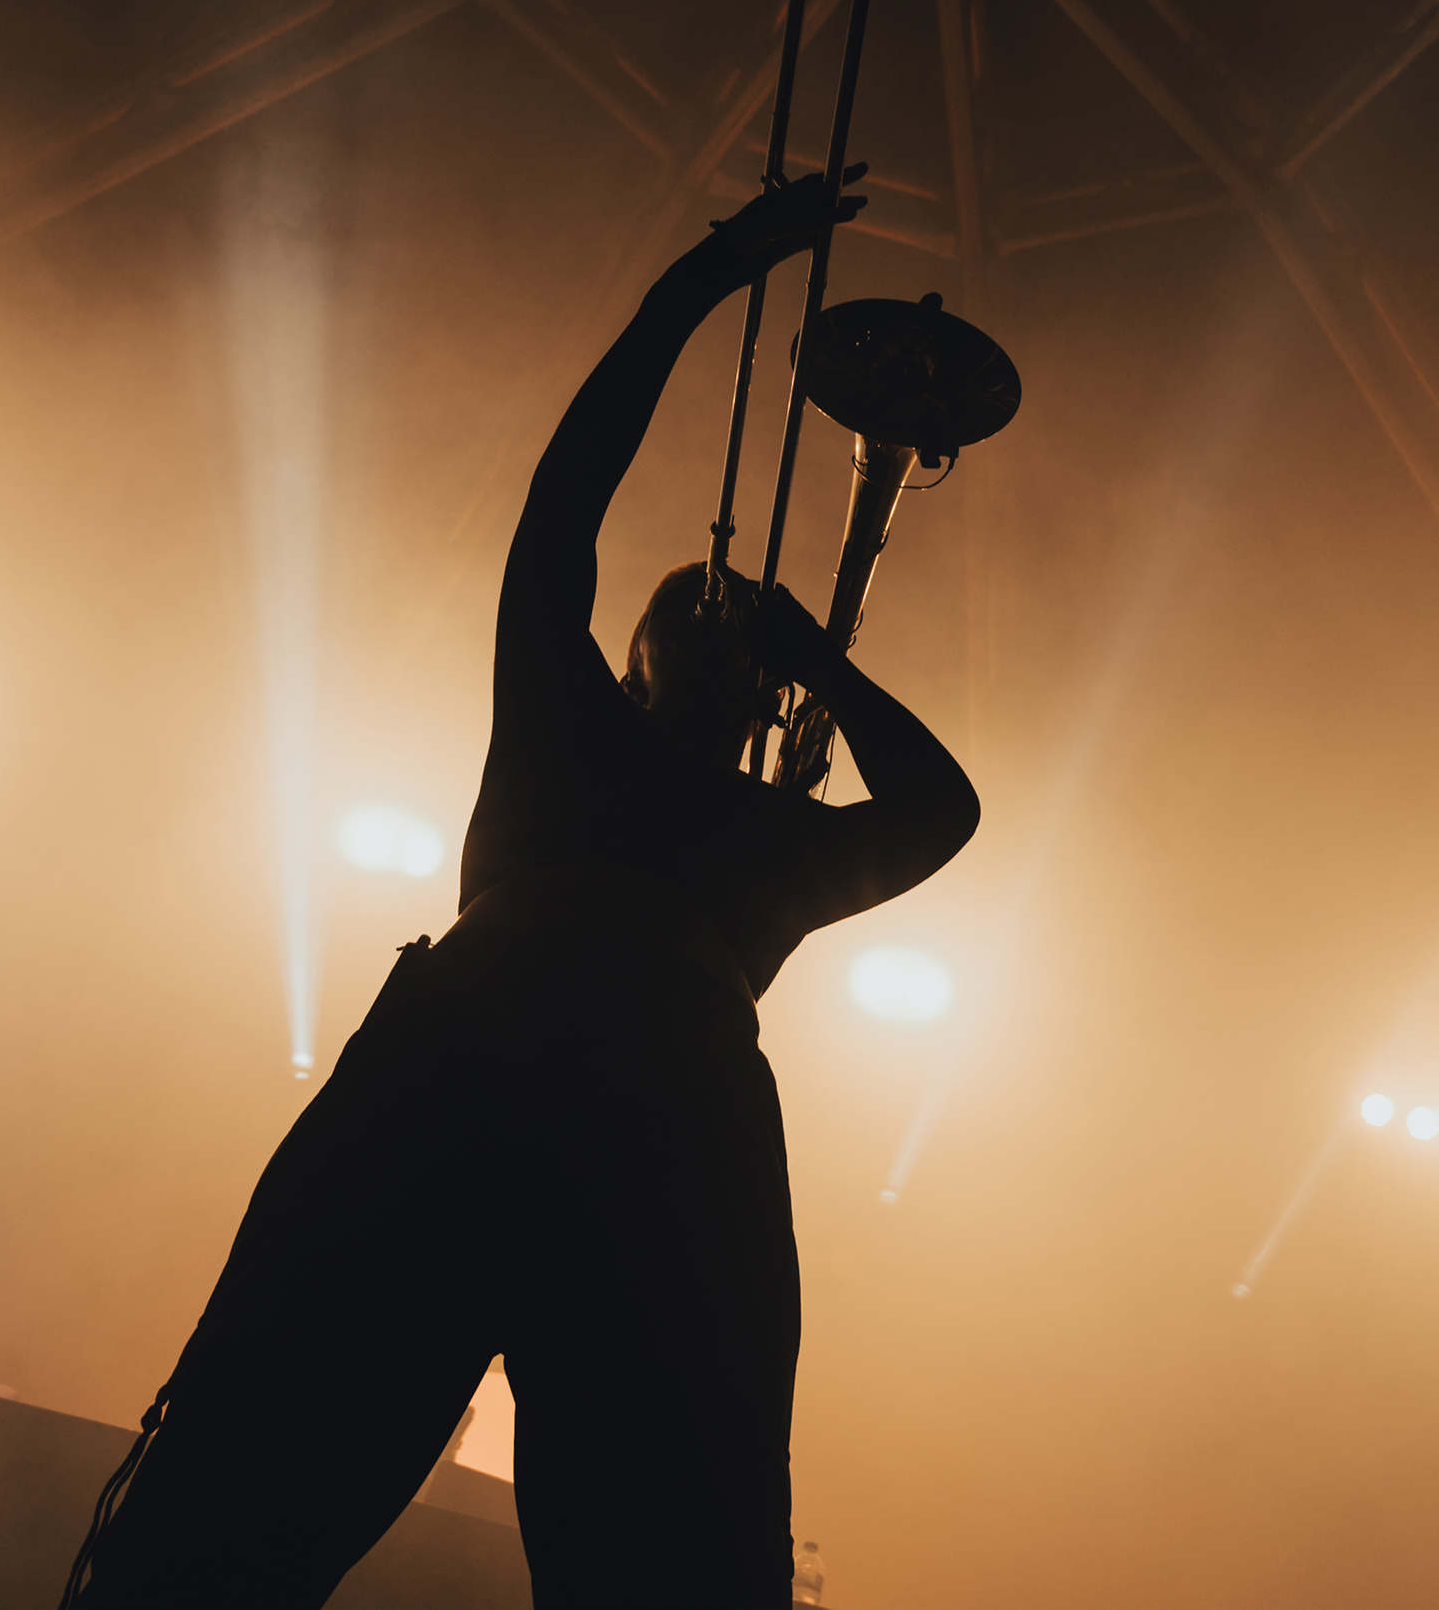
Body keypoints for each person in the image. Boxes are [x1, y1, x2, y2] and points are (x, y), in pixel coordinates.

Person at [68, 170, 981, 1610]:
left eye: (738, 624)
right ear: (634, 660)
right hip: (557, 1072)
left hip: (530, 1072)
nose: (718, 610)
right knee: (252, 1479)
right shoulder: (577, 724)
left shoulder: (765, 836)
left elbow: (947, 812)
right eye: (689, 604)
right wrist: (702, 280)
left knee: (665, 1548)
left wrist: (819, 655)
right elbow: (570, 496)